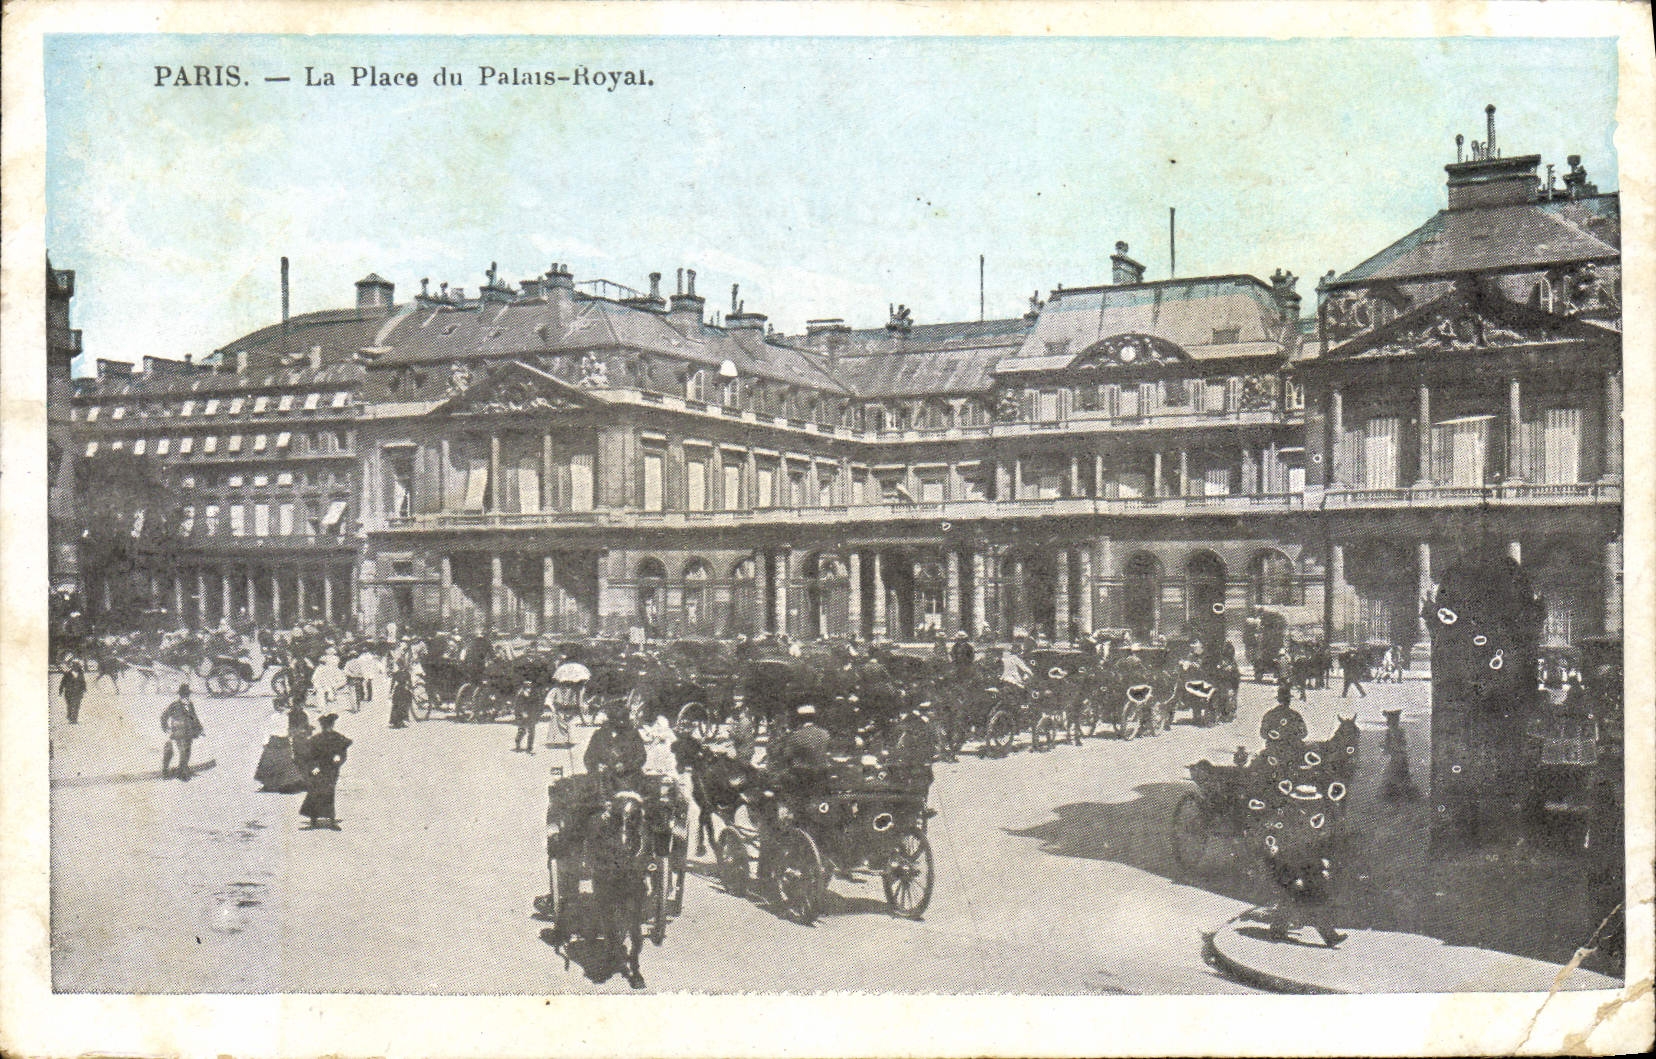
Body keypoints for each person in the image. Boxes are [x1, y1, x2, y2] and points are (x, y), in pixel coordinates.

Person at [298, 713, 351, 830]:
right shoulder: (316, 739)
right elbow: (309, 756)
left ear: (332, 725)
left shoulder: (337, 737)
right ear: (322, 727)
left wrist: (339, 760)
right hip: (318, 769)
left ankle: (331, 820)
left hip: (331, 769)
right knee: (314, 792)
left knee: (329, 793)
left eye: (329, 726)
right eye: (325, 726)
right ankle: (313, 820)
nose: (328, 728)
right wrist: (313, 767)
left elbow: (343, 752)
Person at [584, 702, 647, 795]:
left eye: (623, 721)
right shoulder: (599, 735)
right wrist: (597, 766)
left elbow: (641, 757)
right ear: (610, 720)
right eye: (617, 721)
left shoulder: (633, 735)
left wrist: (626, 766)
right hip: (603, 780)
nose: (621, 724)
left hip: (628, 779)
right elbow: (588, 757)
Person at [254, 698, 307, 793]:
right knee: (272, 762)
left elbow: (288, 729)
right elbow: (267, 730)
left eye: (283, 706)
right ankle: (270, 785)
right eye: (279, 706)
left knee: (283, 762)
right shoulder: (272, 717)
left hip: (283, 741)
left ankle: (284, 784)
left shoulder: (286, 716)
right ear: (276, 706)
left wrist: (291, 736)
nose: (281, 708)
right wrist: (265, 742)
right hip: (275, 741)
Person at [160, 683, 205, 781]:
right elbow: (164, 716)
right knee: (183, 751)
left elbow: (194, 717)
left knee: (187, 752)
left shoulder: (190, 705)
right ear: (180, 696)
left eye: (187, 695)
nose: (186, 697)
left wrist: (200, 729)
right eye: (184, 695)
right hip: (178, 733)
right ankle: (182, 773)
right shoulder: (174, 705)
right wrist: (165, 727)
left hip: (189, 733)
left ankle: (182, 768)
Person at [59, 654, 87, 724]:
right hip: (69, 692)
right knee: (70, 705)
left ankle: (74, 719)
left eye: (77, 665)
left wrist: (84, 688)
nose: (76, 667)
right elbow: (63, 682)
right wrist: (61, 690)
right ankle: (70, 715)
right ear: (72, 666)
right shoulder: (67, 673)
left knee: (77, 705)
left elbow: (83, 681)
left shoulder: (81, 673)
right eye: (74, 665)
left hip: (78, 692)